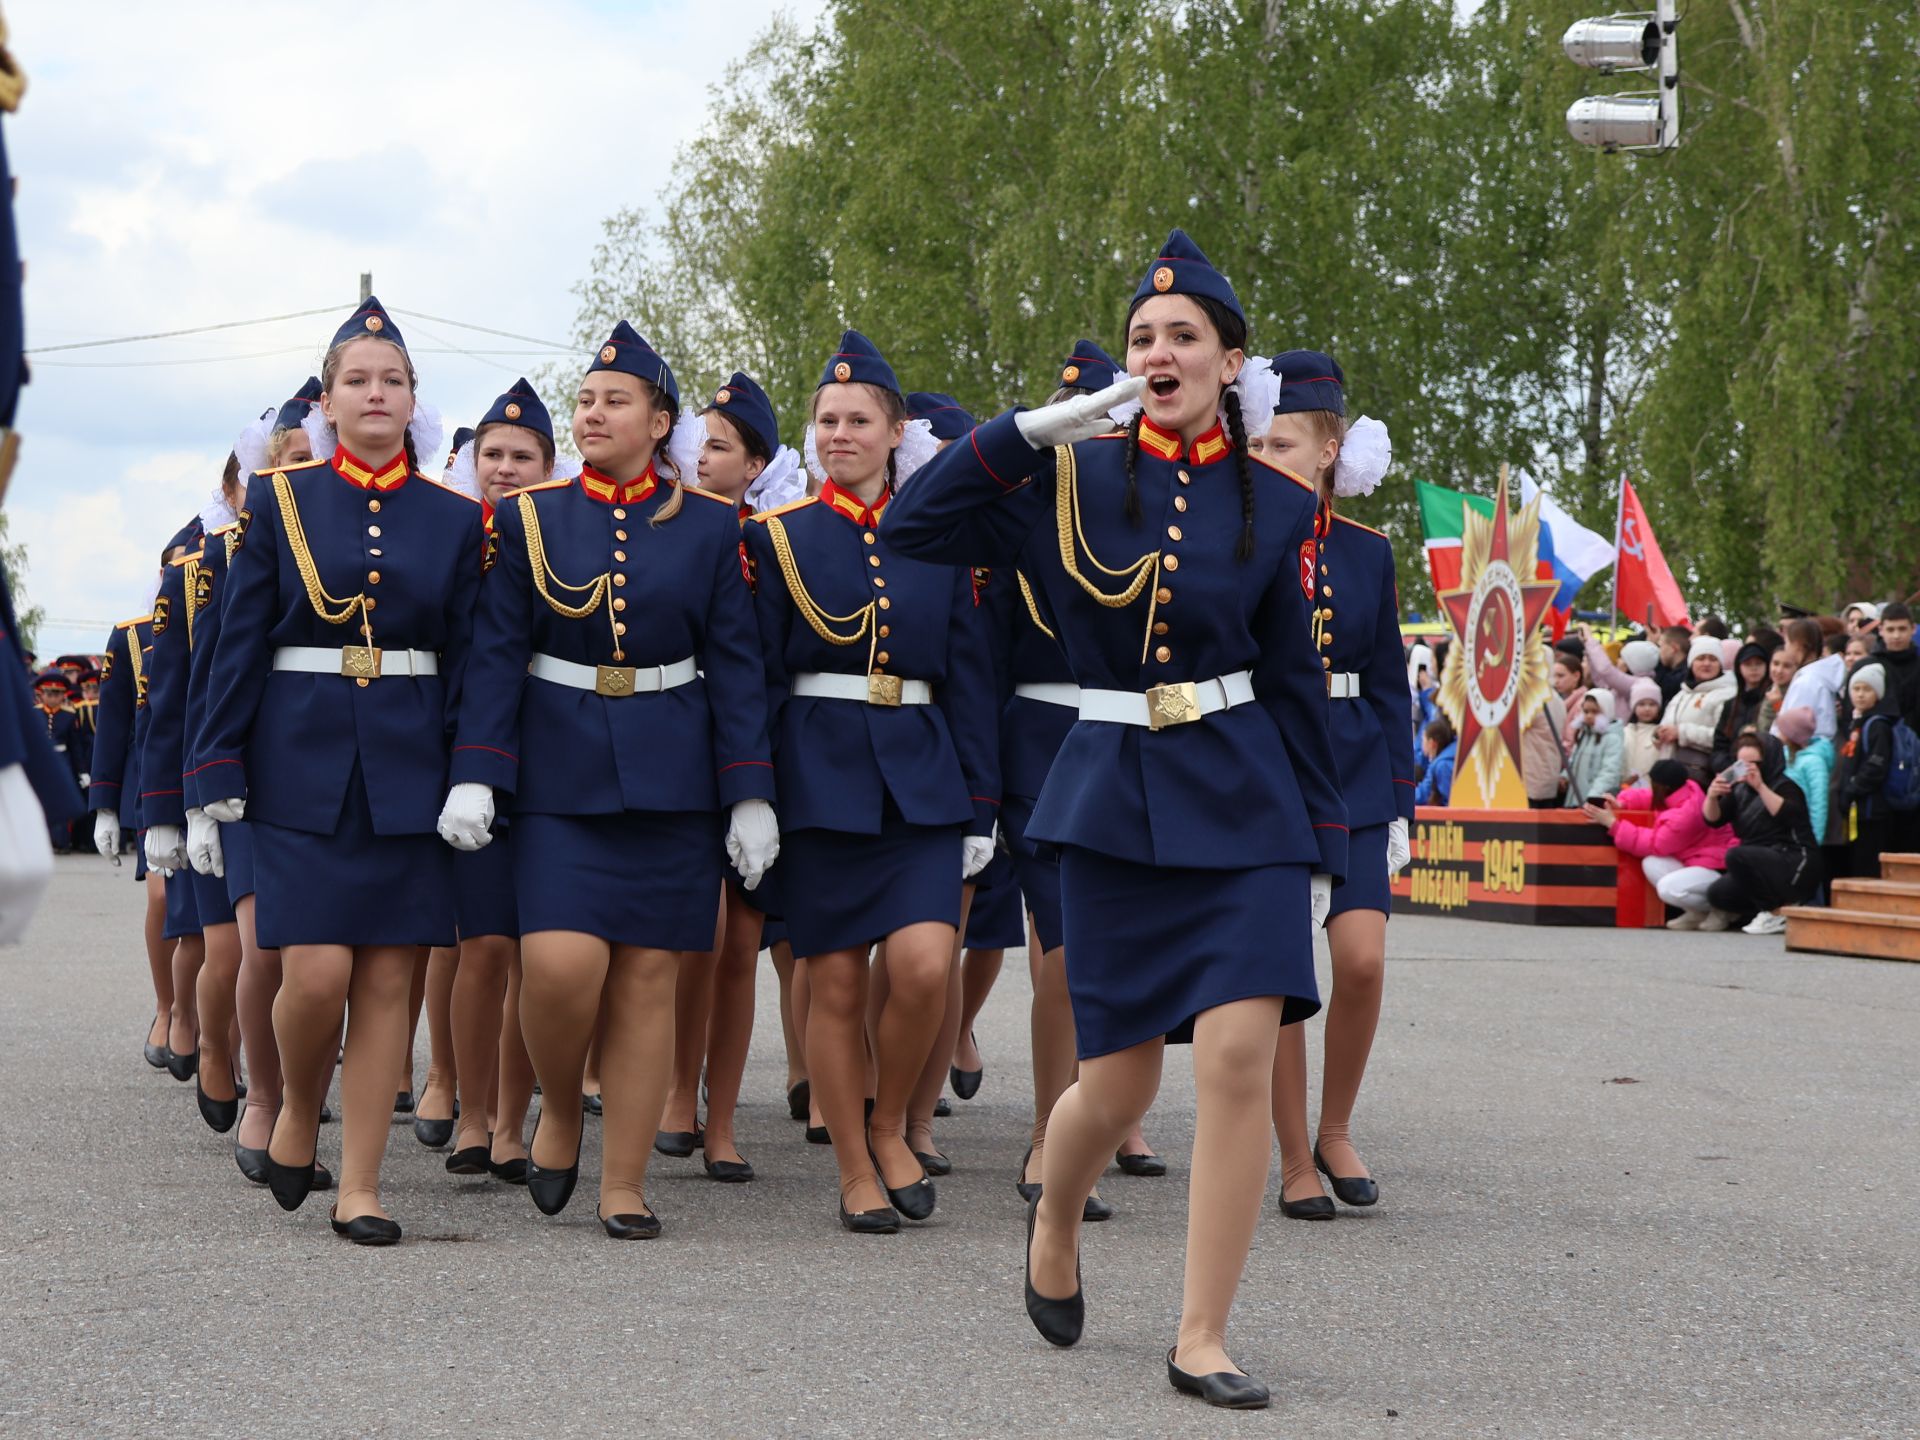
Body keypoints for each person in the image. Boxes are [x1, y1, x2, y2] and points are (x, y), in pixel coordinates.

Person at [887, 230, 1346, 1408]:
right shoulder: (1062, 477)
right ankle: (1054, 1207)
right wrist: (1018, 435)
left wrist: (1324, 850)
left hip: (1242, 794)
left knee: (1241, 1053)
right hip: (1106, 798)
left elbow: (1297, 684)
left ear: (1230, 364)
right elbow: (912, 531)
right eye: (1145, 336)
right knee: (1120, 1085)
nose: (1159, 351)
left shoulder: (1283, 505)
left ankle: (1202, 1334)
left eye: (1184, 336)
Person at [441, 327, 777, 1240]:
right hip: (558, 773)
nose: (592, 413)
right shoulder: (528, 519)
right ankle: (556, 1105)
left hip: (674, 776)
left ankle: (623, 1181)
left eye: (614, 401)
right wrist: (478, 773)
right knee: (557, 966)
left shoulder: (711, 525)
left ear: (660, 423)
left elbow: (737, 664)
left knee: (646, 982)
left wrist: (750, 791)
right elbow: (498, 654)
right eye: (586, 400)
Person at [195, 298, 484, 1245]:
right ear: (327, 400)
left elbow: (471, 657)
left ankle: (361, 1183)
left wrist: (474, 772)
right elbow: (237, 646)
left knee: (390, 986)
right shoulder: (282, 502)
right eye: (356, 380)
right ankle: (287, 1105)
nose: (375, 393)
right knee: (314, 977)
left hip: (410, 765)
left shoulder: (453, 518)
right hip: (298, 765)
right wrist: (213, 772)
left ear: (413, 401)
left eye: (392, 380)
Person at [741, 328, 997, 1235]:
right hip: (821, 775)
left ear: (898, 433)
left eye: (858, 420)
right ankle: (855, 1165)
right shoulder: (777, 538)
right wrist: (754, 793)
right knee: (836, 981)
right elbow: (757, 677)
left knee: (926, 967)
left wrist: (982, 803)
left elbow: (970, 676)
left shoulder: (939, 536)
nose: (838, 433)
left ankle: (892, 1122)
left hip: (923, 775)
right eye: (825, 419)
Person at [972, 344, 1156, 1211]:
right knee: (1063, 952)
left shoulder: (1157, 514)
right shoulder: (1019, 527)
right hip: (1043, 747)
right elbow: (982, 666)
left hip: (1143, 744)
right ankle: (1051, 1132)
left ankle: (1111, 1105)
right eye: (1079, 424)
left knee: (1121, 941)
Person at [1244, 349, 1412, 1223]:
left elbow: (1389, 683)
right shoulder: (1237, 541)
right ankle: (1292, 1157)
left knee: (1362, 959)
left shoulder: (1366, 553)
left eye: (1284, 445)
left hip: (1350, 767)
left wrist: (1399, 801)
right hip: (1267, 762)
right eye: (1258, 443)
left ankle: (1336, 1125)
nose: (1267, 458)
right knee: (1279, 975)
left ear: (1328, 450)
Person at [656, 369, 806, 1184]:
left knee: (742, 940)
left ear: (755, 466)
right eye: (697, 441)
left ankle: (719, 1119)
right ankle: (676, 1093)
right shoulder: (666, 524)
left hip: (756, 746)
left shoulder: (774, 537)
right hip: (677, 740)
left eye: (718, 446)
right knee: (690, 935)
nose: (699, 455)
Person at [191, 383, 339, 1185]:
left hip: (334, 772)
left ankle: (300, 1099)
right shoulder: (234, 554)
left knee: (324, 960)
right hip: (256, 775)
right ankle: (265, 1094)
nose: (306, 472)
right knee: (262, 948)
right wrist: (197, 793)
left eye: (315, 459)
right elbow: (211, 682)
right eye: (291, 463)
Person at [88, 607, 171, 1062]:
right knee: (162, 899)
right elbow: (114, 723)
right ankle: (167, 1007)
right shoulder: (132, 637)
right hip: (152, 783)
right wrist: (104, 804)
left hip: (219, 777)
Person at [1582, 758, 1734, 929]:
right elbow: (1650, 797)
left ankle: (1722, 908)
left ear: (1664, 787)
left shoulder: (1685, 815)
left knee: (1667, 888)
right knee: (1652, 863)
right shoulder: (1686, 788)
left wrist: (1613, 824)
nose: (1651, 787)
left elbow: (1654, 844)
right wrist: (1623, 803)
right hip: (1698, 858)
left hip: (1715, 866)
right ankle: (1697, 912)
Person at [1701, 732, 1820, 931]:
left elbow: (1787, 815)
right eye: (1740, 764)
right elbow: (1713, 820)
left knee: (1737, 855)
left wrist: (1761, 787)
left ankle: (1774, 911)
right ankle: (1766, 911)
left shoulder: (1787, 787)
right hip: (1757, 859)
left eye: (1753, 763)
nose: (1746, 770)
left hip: (1794, 859)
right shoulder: (1739, 790)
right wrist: (1712, 796)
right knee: (1718, 893)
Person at [1832, 662, 1901, 880]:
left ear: (1878, 694)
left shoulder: (1877, 725)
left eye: (1867, 689)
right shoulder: (1857, 722)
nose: (1860, 695)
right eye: (1857, 689)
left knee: (1868, 865)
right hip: (1858, 809)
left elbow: (1875, 765)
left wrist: (1852, 788)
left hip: (1872, 809)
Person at [1656, 635, 1735, 781]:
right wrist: (1659, 734)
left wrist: (1682, 732)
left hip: (1701, 775)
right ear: (1691, 663)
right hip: (1669, 773)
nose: (1706, 663)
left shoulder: (1727, 694)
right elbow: (1666, 724)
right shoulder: (1682, 694)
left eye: (1713, 659)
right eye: (1701, 658)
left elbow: (1723, 737)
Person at [1773, 618, 1843, 744]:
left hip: (1803, 751)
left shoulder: (1807, 682)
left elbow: (1794, 728)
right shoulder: (1815, 677)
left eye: (1787, 643)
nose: (1786, 648)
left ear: (1798, 644)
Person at [1711, 641, 1774, 773]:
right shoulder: (1731, 705)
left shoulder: (1771, 700)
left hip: (1763, 770)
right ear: (1739, 667)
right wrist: (1730, 769)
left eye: (1759, 664)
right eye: (1748, 664)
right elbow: (1719, 745)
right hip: (1730, 772)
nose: (1754, 669)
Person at [1564, 690, 1623, 804]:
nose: (1589, 716)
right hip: (1575, 798)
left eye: (1595, 712)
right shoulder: (1583, 734)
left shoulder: (1612, 739)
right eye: (1586, 711)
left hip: (1593, 801)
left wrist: (1593, 796)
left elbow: (1609, 772)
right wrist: (1565, 776)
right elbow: (1573, 760)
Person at [1414, 716, 1454, 806]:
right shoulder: (1445, 759)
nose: (1421, 745)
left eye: (1423, 740)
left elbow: (1449, 803)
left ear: (1432, 743)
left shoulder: (1442, 766)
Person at [1652, 625, 1691, 707]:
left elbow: (1660, 689)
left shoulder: (1684, 675)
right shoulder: (1673, 671)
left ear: (1674, 648)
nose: (1659, 651)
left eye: (1660, 646)